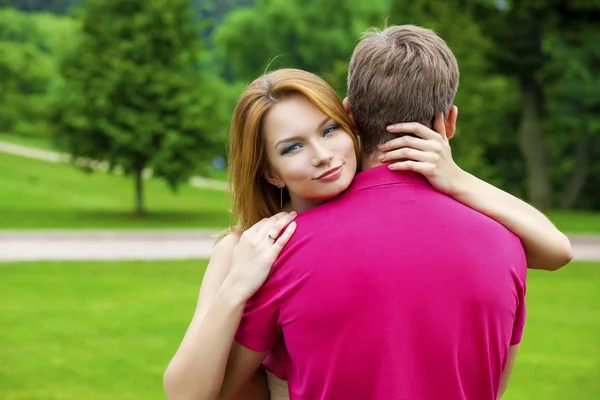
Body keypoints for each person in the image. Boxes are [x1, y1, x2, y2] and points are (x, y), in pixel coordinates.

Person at [164, 31, 572, 400]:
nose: (322, 156)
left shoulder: (286, 255)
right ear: (449, 122)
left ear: (350, 120)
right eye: (292, 147)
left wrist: (458, 178)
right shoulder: (255, 251)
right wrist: (237, 285)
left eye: (328, 131)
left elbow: (559, 250)